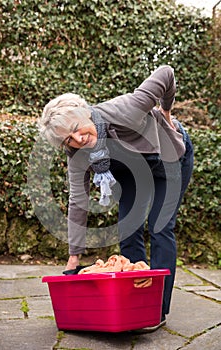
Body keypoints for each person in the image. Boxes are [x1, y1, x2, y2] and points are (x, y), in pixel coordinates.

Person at [38, 65, 194, 332]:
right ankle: (136, 301)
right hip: (135, 174)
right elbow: (78, 202)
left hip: (170, 161)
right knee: (127, 230)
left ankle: (158, 310)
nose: (78, 138)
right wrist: (74, 257)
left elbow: (167, 73)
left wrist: (166, 113)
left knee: (159, 227)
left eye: (76, 127)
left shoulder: (127, 110)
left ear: (84, 113)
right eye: (69, 139)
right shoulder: (78, 156)